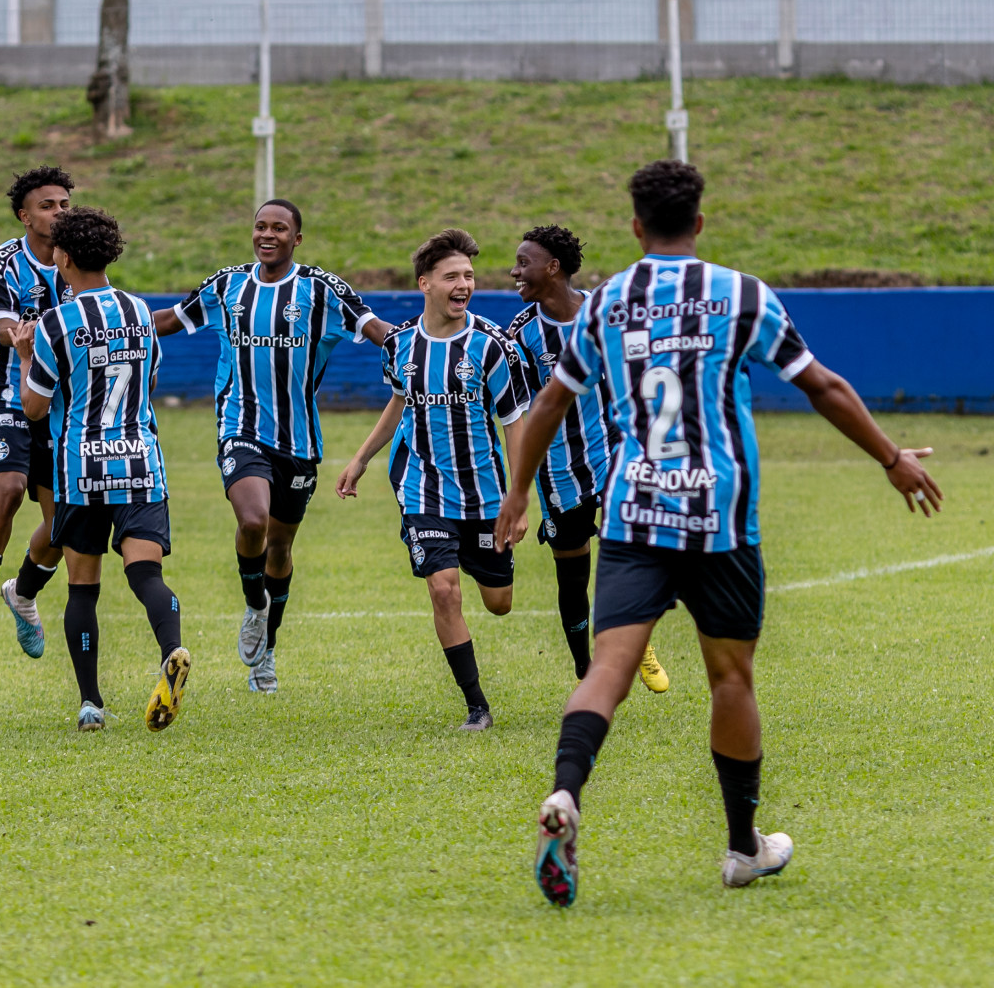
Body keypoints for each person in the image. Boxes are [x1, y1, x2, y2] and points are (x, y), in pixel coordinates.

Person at [500, 160, 943, 907]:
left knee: (608, 668)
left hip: (636, 510)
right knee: (731, 677)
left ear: (636, 226)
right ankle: (743, 847)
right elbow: (822, 385)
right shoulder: (741, 295)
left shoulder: (607, 304)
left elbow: (549, 401)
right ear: (700, 223)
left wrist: (517, 491)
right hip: (721, 516)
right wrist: (891, 457)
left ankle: (566, 794)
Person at [154, 199, 390, 693]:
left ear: (296, 239)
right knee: (253, 520)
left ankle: (267, 652)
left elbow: (376, 330)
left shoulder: (321, 291)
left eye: (279, 228)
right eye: (260, 226)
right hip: (240, 429)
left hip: (300, 444)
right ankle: (254, 602)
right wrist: (105, 320)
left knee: (280, 547)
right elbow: (168, 320)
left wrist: (427, 340)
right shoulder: (227, 285)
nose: (267, 234)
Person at [336, 228, 533, 732]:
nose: (463, 283)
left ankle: (475, 558)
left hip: (486, 494)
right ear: (426, 283)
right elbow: (399, 402)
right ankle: (477, 707)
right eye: (452, 276)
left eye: (468, 275)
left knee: (500, 603)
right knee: (444, 591)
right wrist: (360, 459)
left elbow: (514, 424)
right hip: (423, 487)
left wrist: (518, 497)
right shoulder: (400, 345)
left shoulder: (493, 347)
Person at [21, 206, 191, 732]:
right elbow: (151, 384)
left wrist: (27, 356)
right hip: (140, 462)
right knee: (145, 573)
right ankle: (173, 649)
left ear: (63, 258)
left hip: (80, 468)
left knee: (83, 586)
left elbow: (34, 407)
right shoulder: (140, 312)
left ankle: (91, 702)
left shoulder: (56, 324)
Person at [507, 225, 671, 693]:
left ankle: (636, 640)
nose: (515, 272)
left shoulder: (607, 312)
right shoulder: (522, 335)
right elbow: (515, 405)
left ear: (552, 268)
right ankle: (586, 670)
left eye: (523, 263)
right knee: (572, 576)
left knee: (631, 554)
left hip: (618, 451)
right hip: (558, 469)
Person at [0, 167, 74, 659]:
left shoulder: (81, 257)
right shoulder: (4, 262)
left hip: (59, 400)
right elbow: (6, 327)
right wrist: (28, 340)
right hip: (5, 390)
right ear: (25, 216)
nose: (59, 212)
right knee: (6, 488)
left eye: (65, 204)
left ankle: (22, 594)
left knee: (63, 521)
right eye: (48, 206)